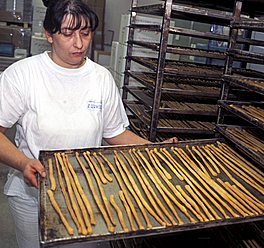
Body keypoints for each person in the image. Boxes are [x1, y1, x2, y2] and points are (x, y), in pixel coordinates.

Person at [0, 0, 177, 247]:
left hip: (86, 194)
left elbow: (115, 133)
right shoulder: (22, 75)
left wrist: (153, 150)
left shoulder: (101, 78)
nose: (79, 43)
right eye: (68, 34)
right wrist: (23, 162)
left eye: (85, 33)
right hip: (32, 197)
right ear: (48, 34)